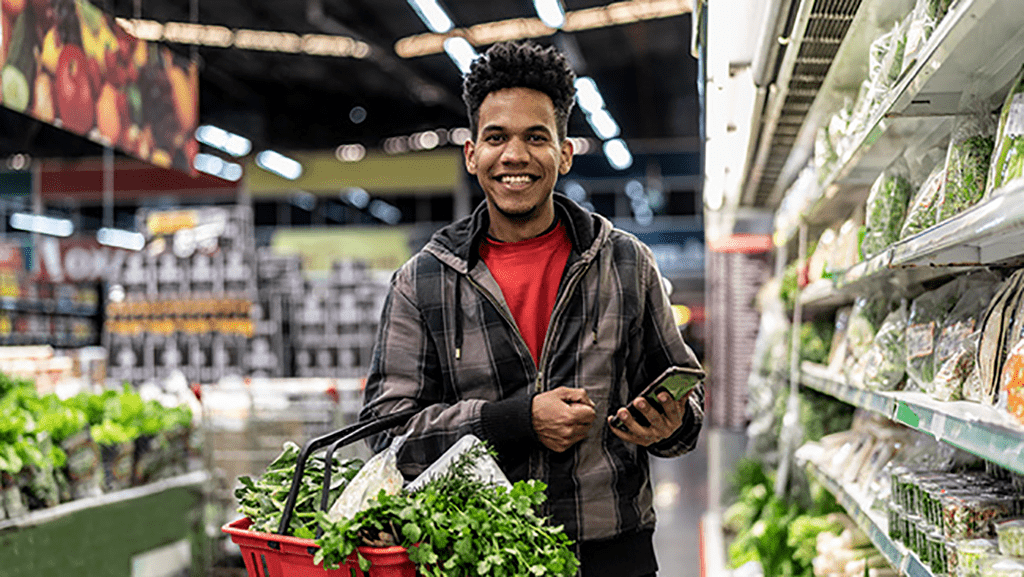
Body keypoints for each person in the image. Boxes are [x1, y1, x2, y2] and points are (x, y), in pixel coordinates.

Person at [360, 40, 704, 577]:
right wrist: (514, 420)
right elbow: (385, 438)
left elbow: (682, 401)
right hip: (476, 557)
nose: (514, 156)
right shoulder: (423, 281)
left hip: (612, 556)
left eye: (535, 137)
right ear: (472, 154)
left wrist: (672, 423)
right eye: (496, 137)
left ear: (564, 153)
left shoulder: (625, 263)